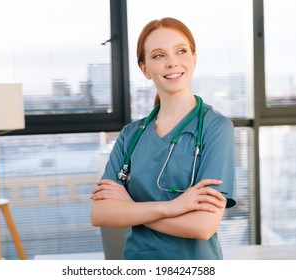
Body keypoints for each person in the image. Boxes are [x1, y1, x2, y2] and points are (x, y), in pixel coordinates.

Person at [91, 17, 236, 260]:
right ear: (145, 69)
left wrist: (131, 208)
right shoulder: (131, 136)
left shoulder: (216, 128)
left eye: (181, 51)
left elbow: (202, 226)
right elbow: (101, 214)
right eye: (158, 55)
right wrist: (171, 207)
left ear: (194, 58)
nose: (172, 63)